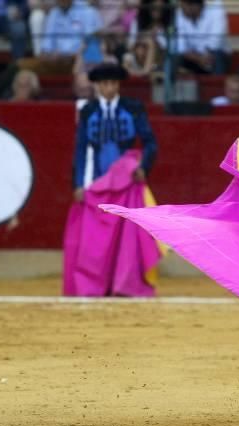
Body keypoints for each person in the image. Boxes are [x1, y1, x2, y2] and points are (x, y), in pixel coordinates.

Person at [65, 63, 160, 297]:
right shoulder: (88, 110)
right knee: (96, 238)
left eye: (114, 84)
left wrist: (143, 166)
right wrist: (78, 183)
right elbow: (80, 149)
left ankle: (125, 284)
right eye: (105, 84)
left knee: (126, 237)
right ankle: (97, 286)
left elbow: (150, 142)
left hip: (126, 183)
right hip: (97, 183)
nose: (109, 88)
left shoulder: (133, 108)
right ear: (97, 86)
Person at [174, 0, 229, 74]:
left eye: (183, 6)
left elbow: (215, 42)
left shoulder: (215, 9)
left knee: (217, 55)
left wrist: (204, 56)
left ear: (195, 6)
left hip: (213, 55)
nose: (181, 9)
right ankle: (173, 84)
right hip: (192, 56)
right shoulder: (180, 14)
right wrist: (198, 58)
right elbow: (181, 46)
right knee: (175, 56)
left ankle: (216, 83)